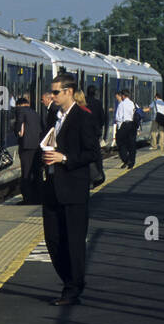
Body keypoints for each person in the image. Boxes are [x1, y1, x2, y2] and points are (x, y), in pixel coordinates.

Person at [41, 72, 101, 306]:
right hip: (52, 187)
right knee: (53, 240)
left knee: (74, 241)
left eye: (56, 92)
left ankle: (73, 287)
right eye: (51, 92)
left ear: (68, 92)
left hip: (73, 189)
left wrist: (64, 158)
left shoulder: (83, 117)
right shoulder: (52, 116)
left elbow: (92, 153)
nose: (51, 96)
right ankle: (69, 280)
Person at [15, 94, 43, 204]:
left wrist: (17, 132)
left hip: (26, 146)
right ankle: (38, 197)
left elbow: (18, 126)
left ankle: (27, 199)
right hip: (36, 146)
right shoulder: (35, 113)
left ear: (20, 105)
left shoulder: (21, 111)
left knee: (26, 172)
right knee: (36, 172)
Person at [113, 89, 137, 169]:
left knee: (121, 143)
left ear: (123, 96)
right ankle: (132, 162)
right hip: (132, 125)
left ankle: (126, 160)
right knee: (132, 144)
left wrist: (119, 128)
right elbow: (136, 115)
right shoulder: (133, 104)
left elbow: (118, 117)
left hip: (124, 125)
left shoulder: (121, 104)